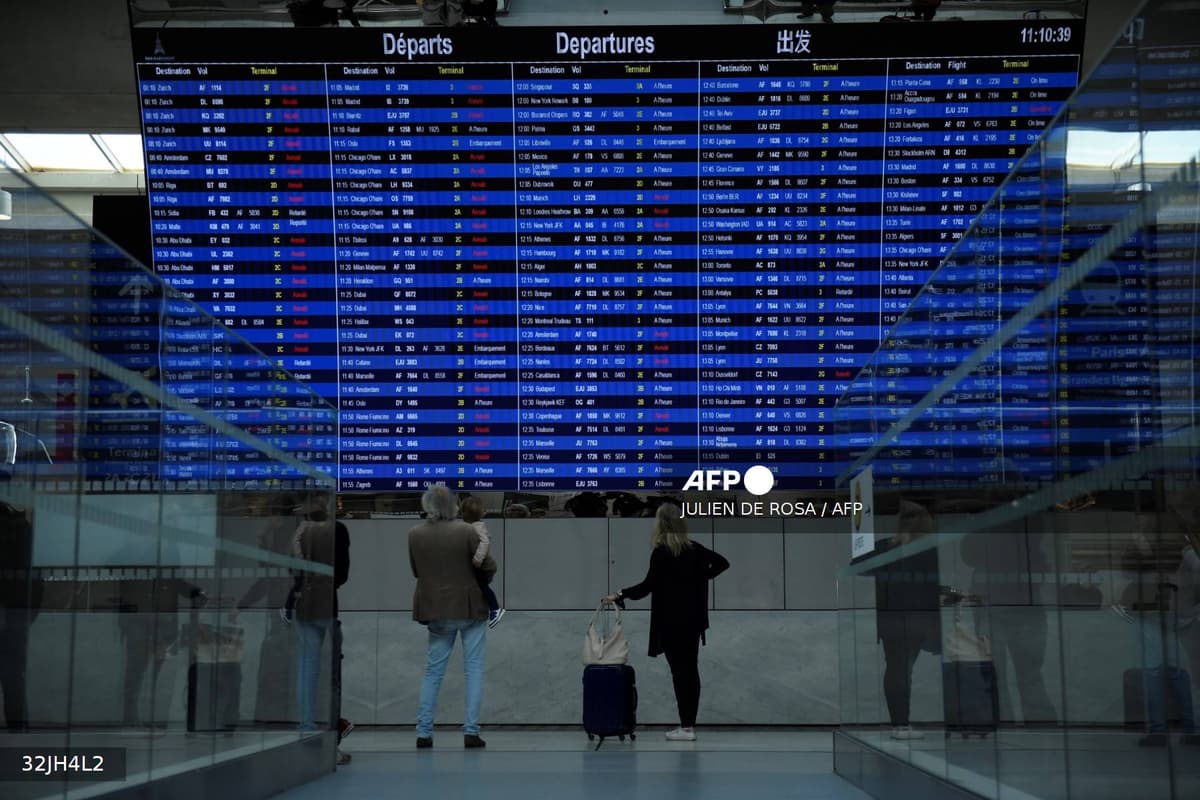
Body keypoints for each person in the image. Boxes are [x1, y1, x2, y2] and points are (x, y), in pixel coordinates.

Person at [603, 503, 729, 742]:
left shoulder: (661, 552)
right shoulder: (695, 549)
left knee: (679, 674)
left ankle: (686, 727)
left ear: (661, 524)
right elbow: (723, 563)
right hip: (692, 622)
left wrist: (620, 594)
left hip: (671, 622)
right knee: (690, 672)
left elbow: (647, 586)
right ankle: (689, 724)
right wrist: (701, 576)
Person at [409, 484, 496, 749]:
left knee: (433, 671)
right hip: (470, 607)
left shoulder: (414, 534)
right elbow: (488, 565)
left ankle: (424, 732)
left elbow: (416, 571)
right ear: (453, 506)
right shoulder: (466, 531)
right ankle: (471, 731)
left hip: (435, 608)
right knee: (474, 669)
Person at [866, 500, 941, 740]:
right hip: (907, 619)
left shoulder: (897, 547)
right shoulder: (909, 548)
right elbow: (927, 585)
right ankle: (900, 723)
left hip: (901, 619)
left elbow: (927, 584)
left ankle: (900, 722)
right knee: (900, 670)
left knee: (899, 670)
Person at [1120, 516, 1197, 746]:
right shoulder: (1179, 542)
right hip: (1171, 610)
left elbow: (1129, 573)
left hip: (1154, 611)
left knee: (1155, 671)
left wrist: (1143, 553)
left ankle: (1160, 730)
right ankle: (1189, 728)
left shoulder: (1157, 546)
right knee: (1175, 670)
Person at [0, 503, 42, 732]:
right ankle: (19, 731)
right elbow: (36, 578)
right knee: (14, 677)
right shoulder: (23, 529)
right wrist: (27, 614)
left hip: (16, 610)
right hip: (17, 611)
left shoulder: (21, 529)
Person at [459, 496, 504, 628]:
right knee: (479, 588)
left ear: (465, 514)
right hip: (482, 565)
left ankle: (495, 609)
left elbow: (485, 542)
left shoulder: (476, 527)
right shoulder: (472, 526)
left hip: (483, 566)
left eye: (462, 513)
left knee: (482, 586)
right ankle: (483, 609)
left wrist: (477, 559)